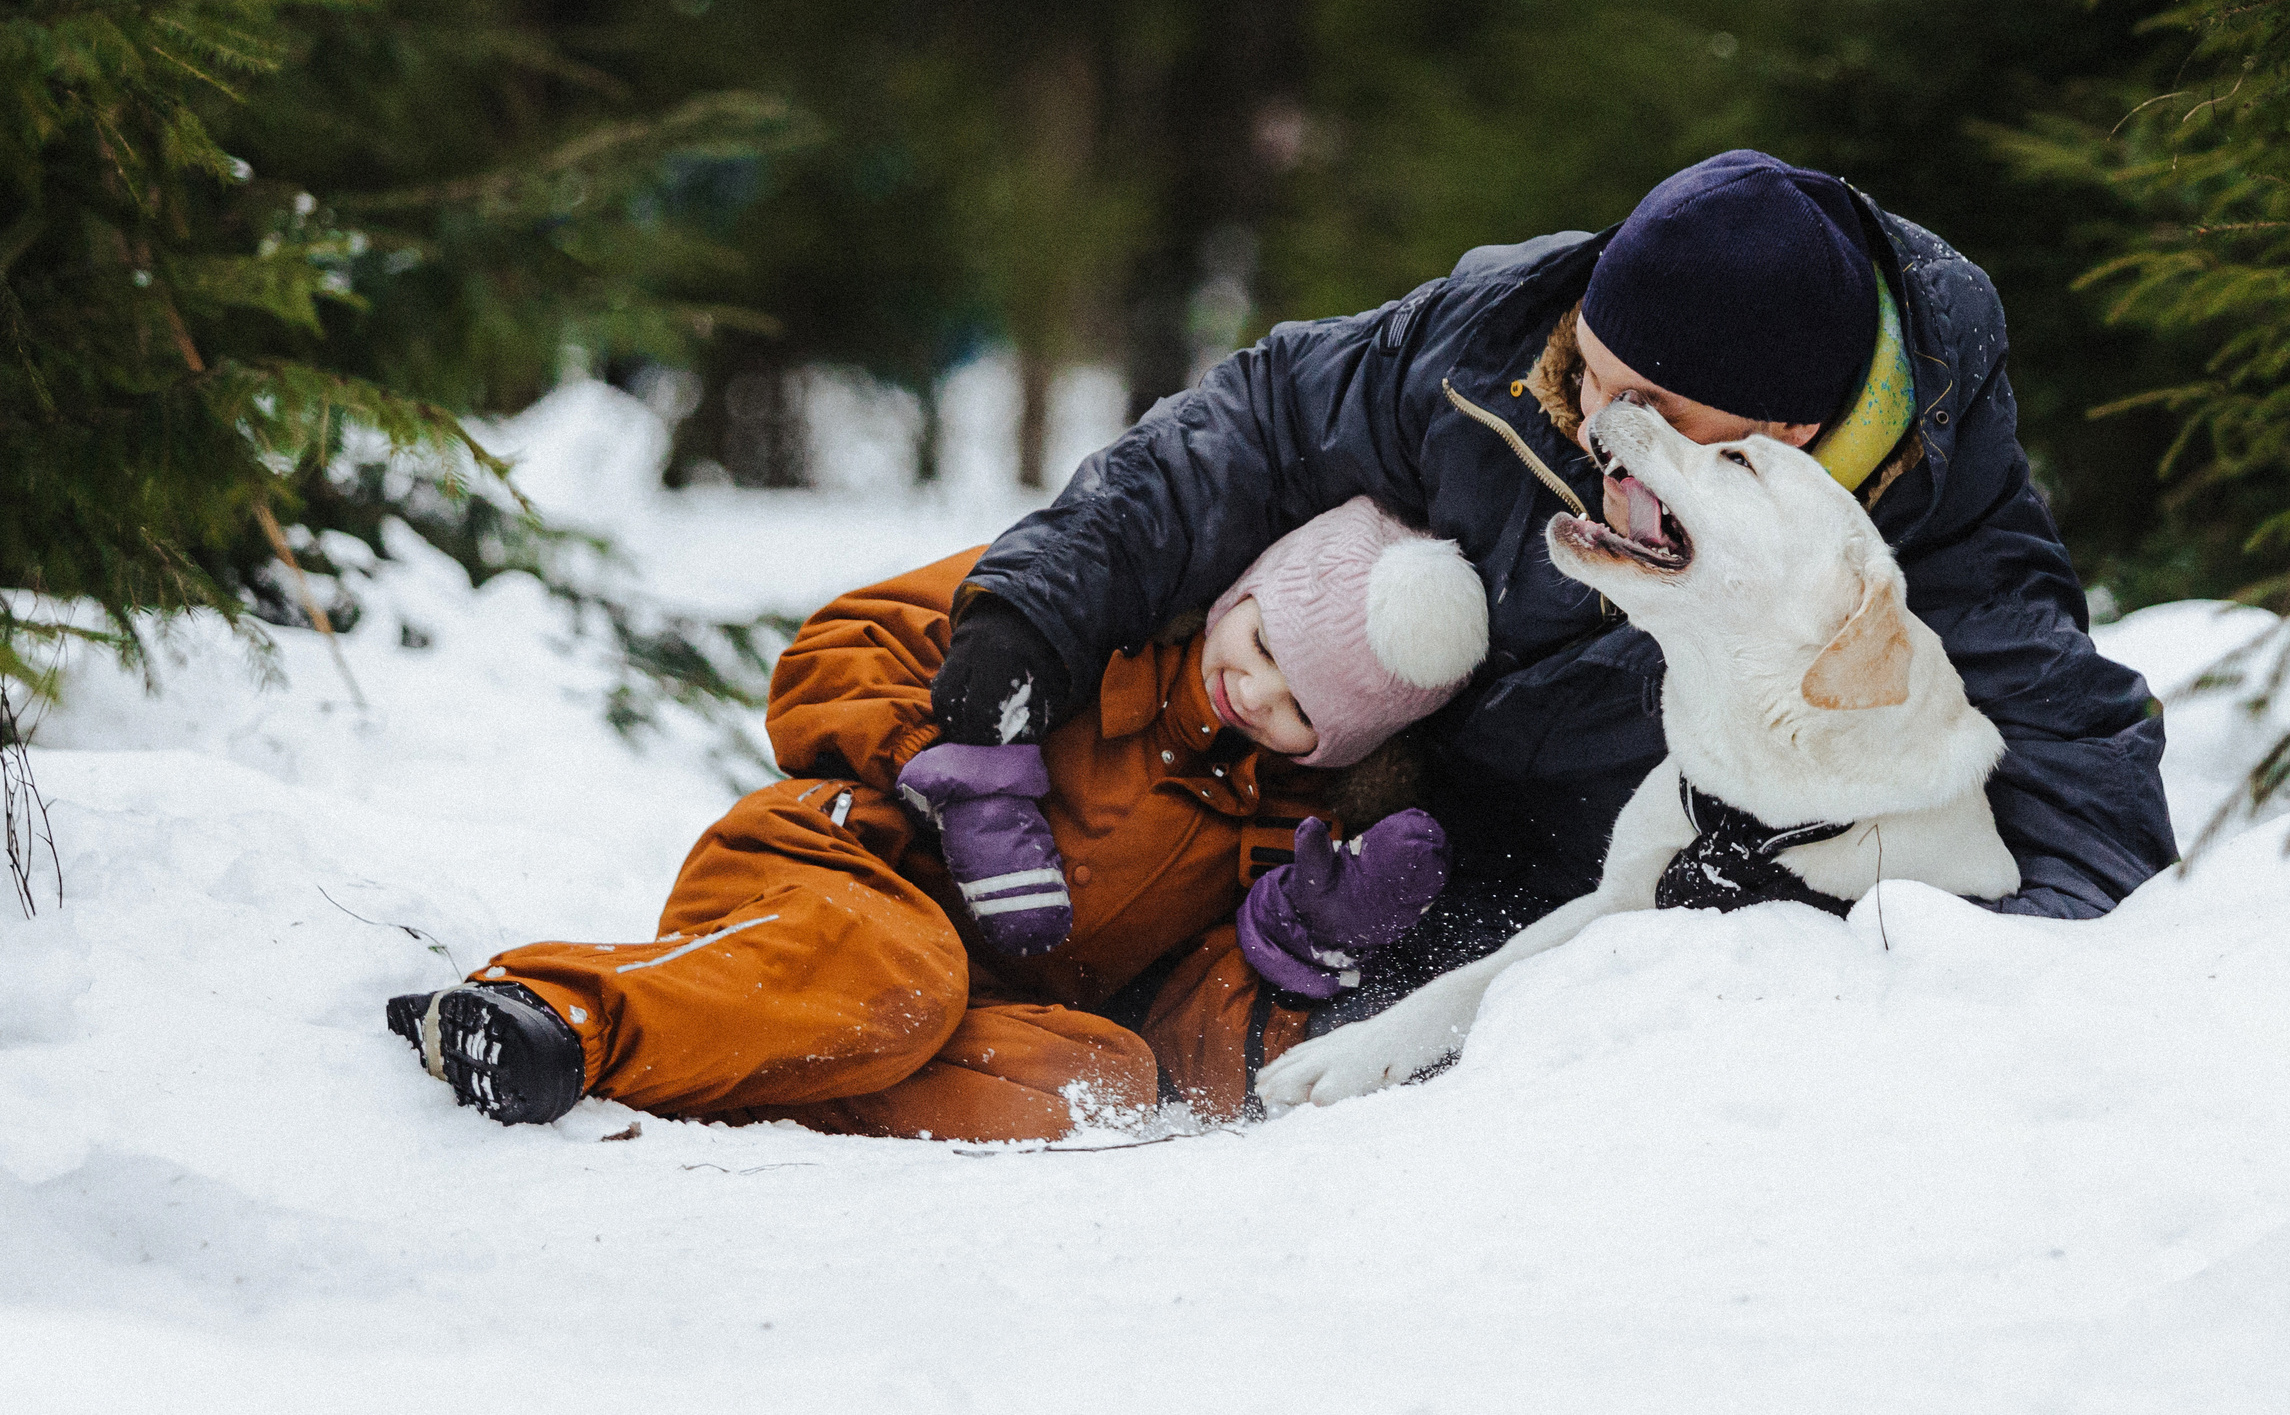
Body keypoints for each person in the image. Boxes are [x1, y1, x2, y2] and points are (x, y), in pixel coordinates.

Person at [935, 149, 2179, 1021]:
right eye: (1588, 369)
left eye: (1644, 407)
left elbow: (2074, 764)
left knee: (1184, 1030)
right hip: (1295, 701)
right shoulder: (1500, 331)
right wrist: (1030, 612)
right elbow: (1256, 424)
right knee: (951, 635)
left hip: (1510, 898)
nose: (1592, 421)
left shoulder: (1912, 541)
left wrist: (2015, 1009)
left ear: (1785, 434)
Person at [387, 498, 1490, 1135]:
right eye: (1259, 651)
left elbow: (1191, 1074)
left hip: (954, 1003)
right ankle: (553, 1014)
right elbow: (831, 654)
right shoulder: (1091, 619)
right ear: (1239, 595)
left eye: (1300, 711)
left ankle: (736, 1065)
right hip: (830, 870)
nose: (1256, 696)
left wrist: (1292, 946)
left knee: (1107, 1085)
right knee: (902, 976)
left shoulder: (1265, 830)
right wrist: (951, 761)